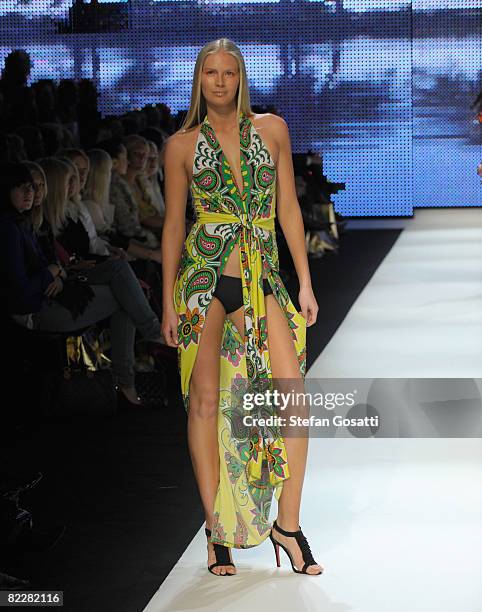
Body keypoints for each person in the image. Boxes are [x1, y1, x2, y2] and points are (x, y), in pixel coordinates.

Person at [161, 38, 322, 577]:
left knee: (292, 394)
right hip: (205, 278)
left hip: (262, 275)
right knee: (204, 403)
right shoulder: (181, 144)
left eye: (230, 72)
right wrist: (166, 301)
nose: (221, 81)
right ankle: (215, 530)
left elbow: (290, 211)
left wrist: (304, 281)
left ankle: (289, 524)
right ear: (199, 79)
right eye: (211, 72)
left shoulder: (271, 129)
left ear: (241, 78)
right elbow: (173, 226)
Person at [0, 161, 162, 406]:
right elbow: (21, 293)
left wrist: (58, 273)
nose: (31, 193)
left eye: (33, 187)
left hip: (55, 292)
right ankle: (133, 370)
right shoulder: (10, 228)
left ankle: (130, 374)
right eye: (23, 188)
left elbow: (53, 266)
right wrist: (53, 272)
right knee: (124, 297)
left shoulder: (24, 223)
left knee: (120, 273)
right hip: (34, 311)